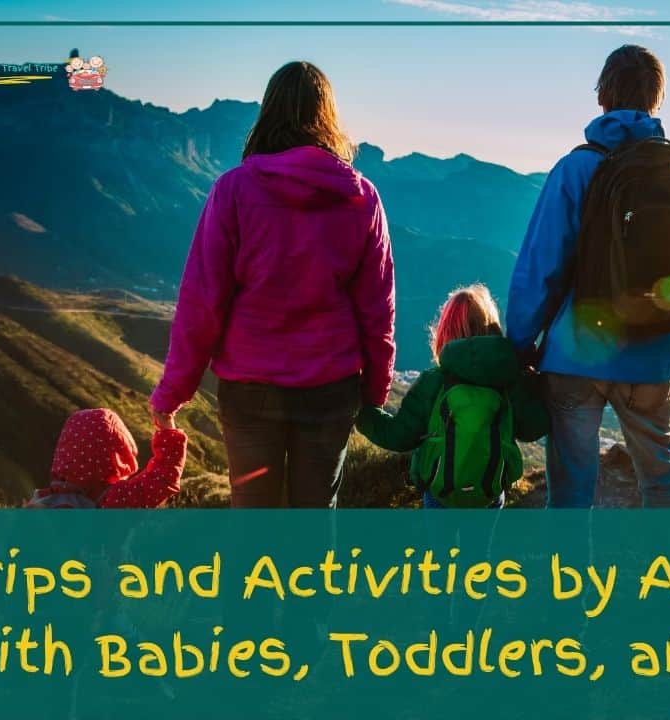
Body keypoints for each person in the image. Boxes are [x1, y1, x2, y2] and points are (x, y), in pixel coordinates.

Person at [150, 60, 395, 508]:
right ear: (328, 117)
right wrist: (375, 389)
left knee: (255, 522)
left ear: (268, 112)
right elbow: (377, 309)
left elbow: (202, 301)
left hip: (251, 388)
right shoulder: (361, 196)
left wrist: (174, 390)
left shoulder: (234, 190)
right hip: (330, 387)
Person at [506, 45, 670, 509]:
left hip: (574, 357)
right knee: (663, 482)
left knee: (570, 493)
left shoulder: (576, 168)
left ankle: (568, 583)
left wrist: (520, 346)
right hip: (652, 356)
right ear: (656, 99)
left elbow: (540, 268)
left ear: (603, 93)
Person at [356, 285, 549, 508]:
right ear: (492, 328)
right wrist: (535, 381)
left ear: (444, 330)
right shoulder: (509, 380)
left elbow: (398, 436)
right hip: (489, 493)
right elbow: (535, 427)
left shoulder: (434, 381)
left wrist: (361, 411)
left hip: (441, 494)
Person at [28, 408, 187, 508]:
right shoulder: (115, 500)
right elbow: (163, 479)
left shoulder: (44, 499)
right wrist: (167, 428)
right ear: (119, 453)